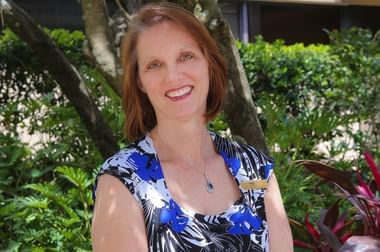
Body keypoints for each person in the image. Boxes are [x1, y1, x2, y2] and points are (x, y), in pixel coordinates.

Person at [91, 2, 293, 251]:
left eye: (185, 56)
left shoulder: (256, 169)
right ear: (140, 81)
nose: (173, 76)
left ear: (208, 62)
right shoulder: (122, 181)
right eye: (154, 64)